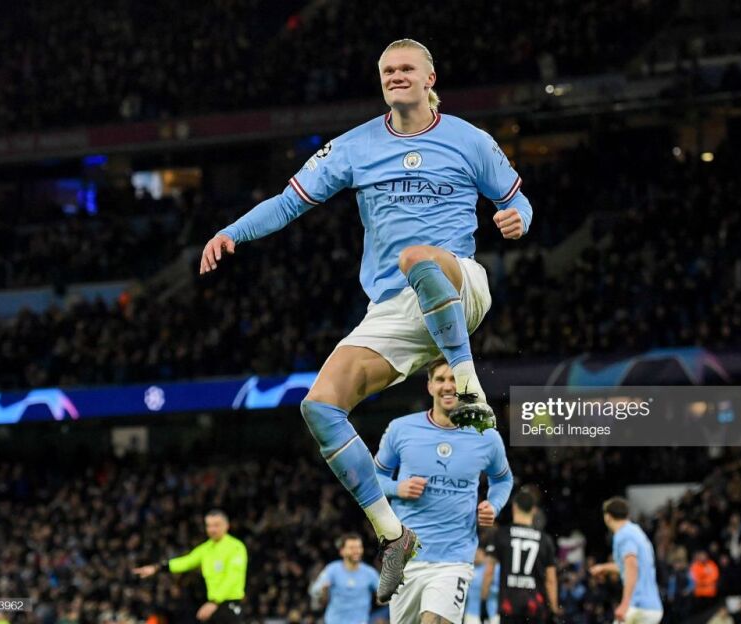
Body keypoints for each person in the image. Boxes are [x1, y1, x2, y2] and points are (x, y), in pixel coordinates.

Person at [199, 37, 532, 601]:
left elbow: (517, 199)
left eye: (406, 68)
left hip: (460, 285)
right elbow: (288, 202)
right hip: (393, 309)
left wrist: (517, 219)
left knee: (417, 257)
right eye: (387, 70)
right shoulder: (354, 146)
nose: (396, 76)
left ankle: (467, 381)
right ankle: (393, 534)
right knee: (320, 406)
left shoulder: (470, 140)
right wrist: (233, 232)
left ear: (429, 79)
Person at [373, 358, 514, 623]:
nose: (448, 386)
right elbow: (374, 478)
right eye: (440, 379)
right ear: (430, 386)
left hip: (454, 558)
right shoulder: (401, 429)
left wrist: (493, 505)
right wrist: (397, 487)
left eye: (455, 380)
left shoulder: (486, 436)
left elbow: (503, 480)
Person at [133, 509, 247, 623]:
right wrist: (157, 567)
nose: (212, 529)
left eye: (216, 525)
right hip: (212, 605)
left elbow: (233, 577)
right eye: (209, 525)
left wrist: (215, 602)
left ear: (226, 526)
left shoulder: (236, 547)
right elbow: (186, 562)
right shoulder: (206, 548)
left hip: (229, 603)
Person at [483, 487, 560, 624]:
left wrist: (483, 602)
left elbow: (489, 572)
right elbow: (551, 580)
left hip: (509, 607)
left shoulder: (501, 535)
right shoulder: (545, 540)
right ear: (534, 510)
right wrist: (554, 610)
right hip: (535, 607)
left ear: (514, 507)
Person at [589, 497, 663, 624]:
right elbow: (631, 566)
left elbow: (632, 567)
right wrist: (604, 568)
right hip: (653, 607)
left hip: (638, 606)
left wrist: (625, 604)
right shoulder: (636, 531)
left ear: (608, 517)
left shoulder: (623, 535)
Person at [309, 533, 380, 624]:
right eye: (351, 548)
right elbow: (314, 590)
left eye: (359, 547)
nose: (356, 551)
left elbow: (383, 595)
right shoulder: (332, 569)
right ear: (342, 551)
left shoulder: (370, 573)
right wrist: (323, 591)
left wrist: (382, 599)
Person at [466, 547, 501, 624]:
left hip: (492, 613)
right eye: (475, 553)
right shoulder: (470, 568)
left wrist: (488, 587)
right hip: (471, 613)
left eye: (479, 553)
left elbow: (501, 590)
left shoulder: (497, 568)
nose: (476, 556)